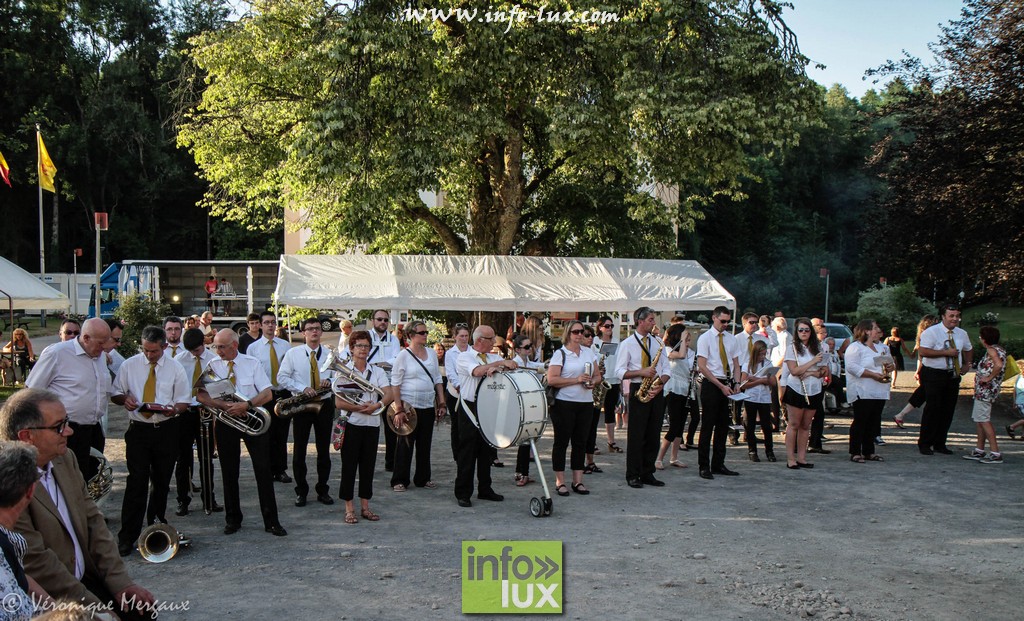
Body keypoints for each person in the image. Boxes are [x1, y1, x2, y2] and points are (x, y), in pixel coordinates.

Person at [1, 389, 156, 619]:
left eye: (67, 422)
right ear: (26, 436)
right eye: (59, 426)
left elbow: (94, 521)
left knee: (142, 610)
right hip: (50, 596)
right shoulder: (10, 481)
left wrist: (121, 583)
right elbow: (38, 563)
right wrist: (97, 611)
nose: (69, 431)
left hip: (85, 578)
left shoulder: (65, 458)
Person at [110, 326, 191, 556]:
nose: (149, 355)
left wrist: (174, 410)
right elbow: (116, 393)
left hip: (166, 429)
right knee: (136, 481)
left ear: (164, 346)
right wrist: (124, 399)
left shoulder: (175, 368)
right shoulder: (129, 365)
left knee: (162, 481)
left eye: (154, 351)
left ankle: (155, 528)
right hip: (139, 430)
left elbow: (184, 400)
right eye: (145, 350)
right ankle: (127, 536)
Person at [197, 329, 286, 537]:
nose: (218, 351)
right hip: (227, 420)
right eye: (216, 347)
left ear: (234, 345)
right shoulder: (213, 365)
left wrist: (246, 405)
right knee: (229, 472)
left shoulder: (251, 363)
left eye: (222, 347)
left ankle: (271, 521)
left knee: (263, 470)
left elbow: (267, 393)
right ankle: (232, 520)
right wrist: (223, 405)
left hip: (251, 419)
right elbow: (201, 395)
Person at [26, 318, 112, 482]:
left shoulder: (99, 355)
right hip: (65, 430)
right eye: (101, 343)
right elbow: (32, 392)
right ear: (86, 338)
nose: (105, 347)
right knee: (65, 480)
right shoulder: (57, 353)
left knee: (88, 479)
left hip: (93, 428)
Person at [454, 325, 518, 507]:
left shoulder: (493, 357)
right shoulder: (465, 356)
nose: (494, 342)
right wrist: (498, 365)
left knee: (486, 451)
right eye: (491, 339)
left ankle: (485, 488)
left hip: (489, 407)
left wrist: (501, 366)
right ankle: (463, 492)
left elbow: (507, 370)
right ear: (480, 340)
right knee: (467, 451)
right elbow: (477, 371)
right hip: (470, 408)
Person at [335, 330, 393, 523]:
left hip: (372, 425)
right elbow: (339, 402)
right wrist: (360, 408)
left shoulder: (377, 371)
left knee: (368, 467)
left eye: (366, 346)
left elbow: (388, 394)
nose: (363, 349)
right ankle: (349, 509)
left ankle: (365, 507)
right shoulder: (344, 371)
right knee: (349, 467)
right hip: (352, 423)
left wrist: (377, 405)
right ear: (351, 348)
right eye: (359, 345)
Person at [277, 318, 335, 506]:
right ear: (303, 333)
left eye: (317, 328)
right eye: (310, 329)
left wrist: (330, 381)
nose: (314, 332)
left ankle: (323, 490)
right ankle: (301, 491)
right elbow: (282, 377)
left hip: (324, 404)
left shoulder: (330, 354)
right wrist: (302, 388)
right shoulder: (293, 354)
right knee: (299, 450)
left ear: (321, 332)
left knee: (324, 450)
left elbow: (339, 377)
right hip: (302, 405)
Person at [614, 307, 670, 488]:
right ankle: (633, 474)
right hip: (638, 387)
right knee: (637, 435)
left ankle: (648, 472)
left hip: (656, 388)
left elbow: (666, 368)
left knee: (653, 433)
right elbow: (619, 371)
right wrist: (641, 372)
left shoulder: (657, 342)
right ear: (640, 321)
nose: (654, 323)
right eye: (651, 319)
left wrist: (660, 384)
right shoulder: (627, 343)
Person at [0, 441, 56, 621]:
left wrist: (58, 610)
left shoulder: (9, 539)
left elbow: (19, 576)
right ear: (30, 490)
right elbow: (20, 614)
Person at [390, 320, 446, 492]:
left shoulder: (431, 353)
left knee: (425, 444)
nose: (425, 335)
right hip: (409, 406)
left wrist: (441, 402)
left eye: (426, 332)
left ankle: (423, 478)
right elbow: (395, 384)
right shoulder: (403, 356)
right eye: (422, 333)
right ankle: (399, 479)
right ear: (411, 335)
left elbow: (437, 379)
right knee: (405, 444)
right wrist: (398, 409)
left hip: (427, 405)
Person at [546, 320, 601, 496]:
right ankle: (560, 481)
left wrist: (593, 382)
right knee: (561, 442)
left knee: (580, 442)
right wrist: (576, 380)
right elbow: (552, 379)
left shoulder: (588, 352)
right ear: (568, 334)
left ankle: (578, 480)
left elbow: (598, 375)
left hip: (585, 402)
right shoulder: (560, 354)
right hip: (564, 403)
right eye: (576, 332)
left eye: (582, 332)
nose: (579, 335)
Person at [173, 328, 222, 516]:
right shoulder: (179, 360)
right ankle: (182, 500)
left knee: (206, 458)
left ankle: (209, 498)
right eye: (191, 351)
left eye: (197, 350)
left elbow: (218, 388)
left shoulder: (213, 360)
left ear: (204, 343)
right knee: (183, 459)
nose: (194, 354)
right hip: (185, 412)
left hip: (205, 411)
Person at [916, 303, 973, 455]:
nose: (955, 319)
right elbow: (923, 351)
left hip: (952, 374)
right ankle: (925, 443)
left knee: (948, 409)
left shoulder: (961, 333)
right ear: (943, 317)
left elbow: (968, 348)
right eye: (951, 316)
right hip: (934, 374)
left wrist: (967, 364)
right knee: (932, 408)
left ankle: (940, 443)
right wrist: (945, 353)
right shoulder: (931, 332)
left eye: (957, 316)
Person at [694, 306, 742, 480]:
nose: (725, 324)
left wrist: (737, 383)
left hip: (727, 381)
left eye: (728, 321)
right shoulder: (705, 338)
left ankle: (718, 463)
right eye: (722, 321)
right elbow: (702, 366)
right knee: (708, 425)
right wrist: (720, 385)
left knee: (723, 425)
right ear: (714, 318)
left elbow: (736, 364)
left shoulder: (731, 339)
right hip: (711, 383)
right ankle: (704, 465)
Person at [247, 311, 293, 484]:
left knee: (281, 434)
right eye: (266, 322)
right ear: (260, 325)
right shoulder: (253, 348)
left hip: (283, 394)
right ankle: (266, 469)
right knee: (265, 433)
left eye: (273, 322)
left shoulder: (285, 346)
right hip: (265, 395)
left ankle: (280, 469)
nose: (270, 325)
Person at [844, 320, 893, 463]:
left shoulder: (882, 347)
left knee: (873, 421)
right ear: (866, 331)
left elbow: (889, 363)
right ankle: (855, 451)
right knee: (861, 420)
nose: (878, 330)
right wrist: (872, 375)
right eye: (875, 328)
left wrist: (891, 367)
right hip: (863, 390)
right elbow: (852, 367)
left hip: (879, 389)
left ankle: (868, 451)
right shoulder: (856, 347)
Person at [782, 317, 826, 469]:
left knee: (806, 425)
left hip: (814, 389)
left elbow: (823, 371)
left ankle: (802, 458)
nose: (804, 332)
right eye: (801, 330)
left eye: (807, 330)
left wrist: (810, 372)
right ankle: (791, 459)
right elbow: (794, 371)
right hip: (796, 389)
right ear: (797, 332)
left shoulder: (818, 347)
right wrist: (813, 362)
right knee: (794, 424)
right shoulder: (792, 348)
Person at [963, 326, 1006, 464]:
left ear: (984, 339)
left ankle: (995, 452)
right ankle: (979, 449)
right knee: (980, 419)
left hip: (985, 390)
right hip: (986, 390)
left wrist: (988, 378)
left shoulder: (991, 350)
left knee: (984, 420)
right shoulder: (999, 350)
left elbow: (998, 365)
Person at [367, 310, 402, 471]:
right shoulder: (366, 336)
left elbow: (396, 359)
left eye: (385, 320)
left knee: (391, 426)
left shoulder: (393, 339)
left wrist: (381, 364)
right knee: (369, 425)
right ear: (373, 320)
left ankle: (391, 461)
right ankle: (368, 461)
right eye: (379, 319)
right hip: (369, 385)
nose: (383, 322)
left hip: (388, 385)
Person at [656, 324, 693, 469]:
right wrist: (682, 340)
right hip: (673, 390)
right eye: (685, 337)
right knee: (674, 425)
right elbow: (681, 355)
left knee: (680, 426)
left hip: (684, 389)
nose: (688, 341)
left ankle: (674, 457)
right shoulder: (668, 350)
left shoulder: (688, 351)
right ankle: (659, 458)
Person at [510, 333, 545, 485]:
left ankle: (522, 473)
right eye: (526, 347)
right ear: (517, 350)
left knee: (527, 440)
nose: (530, 349)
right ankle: (522, 474)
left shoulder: (530, 364)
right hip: (519, 406)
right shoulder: (514, 364)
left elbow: (540, 373)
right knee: (524, 440)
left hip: (529, 404)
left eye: (531, 346)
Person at [893, 314, 939, 428]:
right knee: (925, 395)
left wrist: (918, 370)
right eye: (936, 321)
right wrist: (918, 370)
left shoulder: (922, 336)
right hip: (928, 369)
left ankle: (901, 415)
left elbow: (919, 357)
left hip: (926, 369)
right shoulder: (928, 336)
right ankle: (902, 415)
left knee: (922, 394)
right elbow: (921, 356)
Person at [733, 313, 768, 444]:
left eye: (756, 322)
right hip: (741, 370)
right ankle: (734, 434)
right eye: (751, 322)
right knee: (737, 407)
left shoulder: (760, 338)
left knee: (751, 407)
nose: (754, 325)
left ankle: (749, 434)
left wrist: (766, 327)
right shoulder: (737, 338)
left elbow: (773, 344)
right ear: (744, 323)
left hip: (755, 370)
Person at [593, 316, 625, 453]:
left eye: (611, 326)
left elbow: (620, 362)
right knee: (595, 413)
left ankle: (611, 442)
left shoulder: (617, 342)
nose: (609, 328)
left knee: (610, 411)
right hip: (599, 381)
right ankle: (592, 442)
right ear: (600, 327)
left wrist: (621, 382)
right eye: (607, 326)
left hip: (613, 380)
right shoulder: (594, 341)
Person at [740, 341, 775, 462]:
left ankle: (769, 451)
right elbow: (744, 384)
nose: (763, 357)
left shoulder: (768, 364)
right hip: (751, 397)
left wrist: (755, 379)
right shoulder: (747, 364)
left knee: (766, 426)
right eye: (761, 354)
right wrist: (761, 381)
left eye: (764, 354)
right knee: (750, 425)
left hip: (764, 398)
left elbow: (773, 382)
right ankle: (752, 450)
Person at [444, 323, 472, 462]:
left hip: (470, 391)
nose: (464, 338)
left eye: (466, 336)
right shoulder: (450, 353)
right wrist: (459, 386)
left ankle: (469, 451)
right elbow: (450, 373)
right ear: (455, 337)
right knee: (456, 424)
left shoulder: (473, 351)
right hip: (455, 392)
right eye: (461, 336)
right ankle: (457, 454)